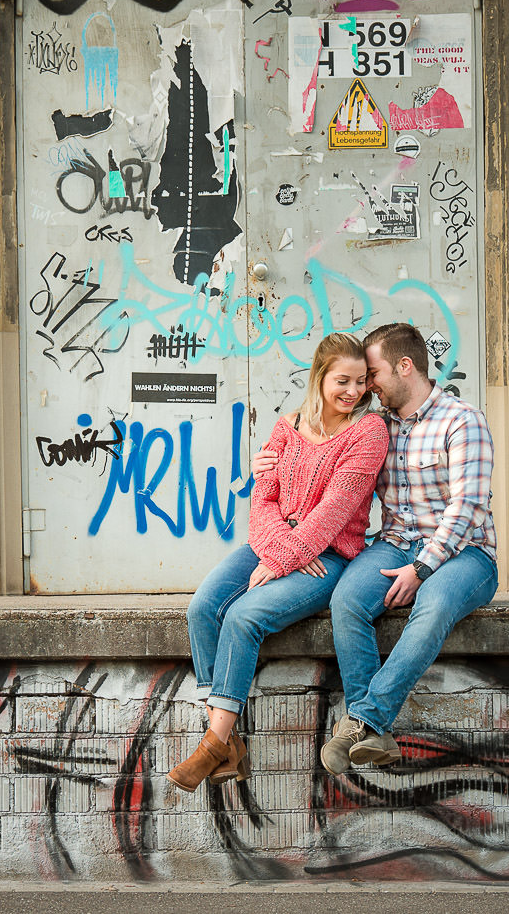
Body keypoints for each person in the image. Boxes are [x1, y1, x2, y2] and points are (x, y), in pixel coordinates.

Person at [253, 322, 498, 774]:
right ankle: (376, 737)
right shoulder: (377, 427)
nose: (367, 387)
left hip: (465, 553)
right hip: (395, 544)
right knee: (347, 599)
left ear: (405, 367)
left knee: (433, 604)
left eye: (372, 375)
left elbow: (467, 508)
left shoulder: (463, 421)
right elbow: (320, 461)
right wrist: (268, 462)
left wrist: (421, 569)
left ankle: (363, 720)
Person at [168, 333, 390, 791]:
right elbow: (263, 499)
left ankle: (214, 745)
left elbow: (334, 512)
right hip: (273, 545)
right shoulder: (287, 426)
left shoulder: (369, 432)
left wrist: (289, 556)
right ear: (320, 377)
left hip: (326, 558)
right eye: (342, 381)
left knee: (243, 617)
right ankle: (225, 743)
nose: (353, 391)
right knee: (203, 608)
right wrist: (280, 550)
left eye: (361, 382)